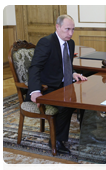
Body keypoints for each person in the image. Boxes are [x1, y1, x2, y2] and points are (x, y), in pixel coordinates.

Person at [26, 14, 87, 154]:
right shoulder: (46, 42)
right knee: (66, 104)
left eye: (73, 29)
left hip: (63, 85)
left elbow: (65, 64)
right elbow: (35, 67)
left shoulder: (70, 43)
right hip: (48, 87)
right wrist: (35, 90)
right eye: (67, 29)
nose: (71, 33)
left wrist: (73, 73)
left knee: (83, 98)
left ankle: (87, 134)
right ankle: (56, 141)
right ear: (57, 27)